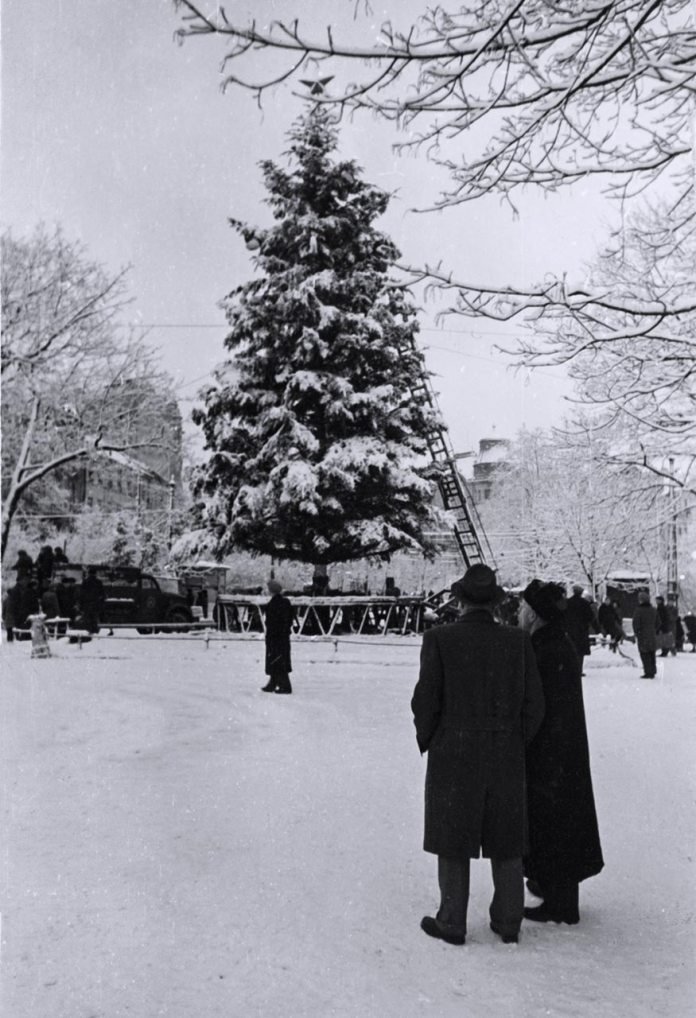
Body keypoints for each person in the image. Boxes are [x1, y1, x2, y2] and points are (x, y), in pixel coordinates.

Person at [411, 563, 545, 946]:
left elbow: (425, 700)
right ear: (496, 603)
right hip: (505, 750)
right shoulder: (517, 642)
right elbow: (535, 705)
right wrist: (516, 741)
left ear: (460, 599)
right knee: (507, 838)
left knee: (453, 837)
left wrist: (431, 738)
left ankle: (452, 920)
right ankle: (508, 921)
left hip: (453, 749)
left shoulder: (439, 639)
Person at [519, 580, 604, 926]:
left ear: (536, 615)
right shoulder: (555, 643)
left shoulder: (544, 650)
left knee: (554, 822)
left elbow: (538, 705)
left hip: (551, 752)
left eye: (524, 609)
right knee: (561, 821)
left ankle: (560, 901)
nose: (518, 614)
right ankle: (555, 890)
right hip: (562, 750)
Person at [261, 579, 294, 694]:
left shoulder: (274, 604)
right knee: (278, 659)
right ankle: (273, 682)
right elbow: (289, 619)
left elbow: (272, 621)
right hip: (282, 636)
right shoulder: (285, 602)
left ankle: (285, 686)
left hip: (276, 636)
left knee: (277, 659)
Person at [564, 584, 597, 668]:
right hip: (582, 631)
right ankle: (579, 668)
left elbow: (564, 616)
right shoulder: (584, 603)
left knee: (571, 649)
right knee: (580, 652)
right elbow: (590, 617)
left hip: (570, 630)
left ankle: (571, 668)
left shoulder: (568, 602)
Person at [632, 591, 658, 679]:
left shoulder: (638, 610)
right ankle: (653, 671)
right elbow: (659, 622)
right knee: (651, 653)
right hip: (652, 634)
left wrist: (637, 632)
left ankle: (648, 672)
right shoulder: (653, 610)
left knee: (644, 654)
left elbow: (635, 623)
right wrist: (654, 630)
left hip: (642, 635)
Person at [78, 566, 105, 635]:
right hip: (95, 604)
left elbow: (81, 595)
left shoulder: (85, 582)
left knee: (87, 620)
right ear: (95, 574)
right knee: (94, 620)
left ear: (88, 573)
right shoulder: (98, 582)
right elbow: (102, 594)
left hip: (86, 605)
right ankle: (95, 633)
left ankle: (88, 633)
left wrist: (81, 605)